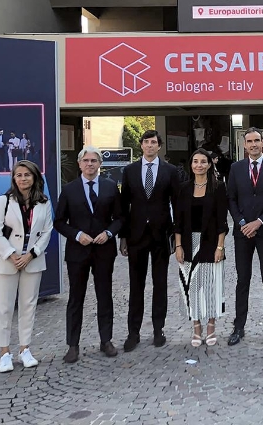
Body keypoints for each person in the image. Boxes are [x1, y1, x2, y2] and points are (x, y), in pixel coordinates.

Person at [54, 146, 124, 363]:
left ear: (99, 164)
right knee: (76, 298)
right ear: (79, 163)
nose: (90, 164)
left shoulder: (111, 187)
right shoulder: (69, 190)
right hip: (78, 252)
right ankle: (72, 345)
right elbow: (58, 221)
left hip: (104, 250)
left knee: (105, 296)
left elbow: (120, 217)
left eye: (94, 160)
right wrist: (76, 235)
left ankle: (106, 340)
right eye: (86, 160)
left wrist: (109, 233)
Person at [0, 160, 53, 372]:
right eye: (18, 175)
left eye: (27, 175)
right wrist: (11, 254)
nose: (23, 179)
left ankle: (25, 348)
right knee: (4, 307)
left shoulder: (44, 202)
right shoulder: (3, 201)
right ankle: (4, 353)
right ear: (14, 178)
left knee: (28, 306)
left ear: (35, 178)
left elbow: (47, 232)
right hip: (7, 262)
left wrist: (31, 254)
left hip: (32, 262)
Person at [119, 130, 180, 351]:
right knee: (136, 285)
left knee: (160, 284)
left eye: (154, 142)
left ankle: (158, 329)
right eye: (146, 142)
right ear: (142, 146)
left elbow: (177, 203)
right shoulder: (130, 171)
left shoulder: (170, 171)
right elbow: (123, 205)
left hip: (160, 236)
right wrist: (123, 236)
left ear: (159, 147)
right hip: (136, 236)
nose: (150, 146)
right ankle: (133, 332)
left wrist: (176, 235)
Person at [226, 127, 263, 346]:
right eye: (249, 141)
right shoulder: (236, 168)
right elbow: (231, 199)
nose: (253, 144)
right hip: (242, 233)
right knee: (243, 280)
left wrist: (258, 222)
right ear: (244, 144)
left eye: (257, 140)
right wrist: (242, 223)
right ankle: (239, 327)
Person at [174, 148, 228, 347]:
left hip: (211, 243)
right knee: (192, 287)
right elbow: (177, 220)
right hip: (188, 243)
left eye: (203, 161)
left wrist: (220, 248)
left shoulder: (219, 187)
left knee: (212, 286)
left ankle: (211, 327)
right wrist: (178, 245)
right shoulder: (183, 188)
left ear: (209, 164)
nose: (199, 165)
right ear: (191, 165)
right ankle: (196, 327)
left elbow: (222, 220)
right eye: (195, 161)